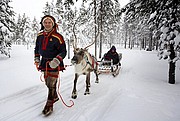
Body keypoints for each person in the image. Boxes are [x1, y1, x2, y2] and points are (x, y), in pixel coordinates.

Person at [34, 15, 67, 116]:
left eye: (49, 22)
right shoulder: (39, 36)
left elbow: (63, 51)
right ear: (43, 24)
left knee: (52, 84)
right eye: (45, 22)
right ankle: (55, 96)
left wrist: (57, 60)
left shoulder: (58, 37)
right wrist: (36, 59)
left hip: (54, 63)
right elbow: (37, 48)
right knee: (47, 83)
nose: (47, 24)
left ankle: (49, 105)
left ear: (53, 24)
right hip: (44, 62)